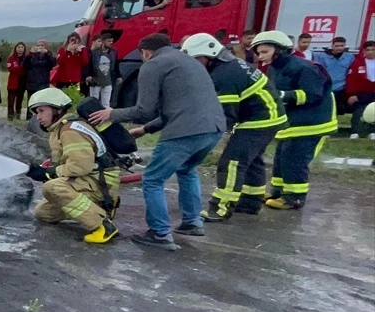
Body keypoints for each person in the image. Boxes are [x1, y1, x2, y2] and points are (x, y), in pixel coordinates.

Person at [89, 33, 225, 250]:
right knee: (187, 170)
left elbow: (144, 110)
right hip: (214, 128)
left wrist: (111, 113)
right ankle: (192, 222)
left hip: (185, 131)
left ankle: (160, 233)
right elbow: (175, 107)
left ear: (145, 52)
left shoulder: (152, 65)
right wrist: (145, 130)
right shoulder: (189, 62)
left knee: (152, 179)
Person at [181, 33, 287, 222]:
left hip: (260, 119)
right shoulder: (227, 67)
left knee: (232, 162)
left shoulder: (224, 75)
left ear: (209, 55)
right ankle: (250, 202)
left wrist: (208, 138)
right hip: (269, 116)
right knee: (251, 160)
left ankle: (221, 208)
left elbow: (224, 114)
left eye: (196, 59)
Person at [252, 30, 338, 210]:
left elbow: (313, 94)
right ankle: (279, 191)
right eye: (259, 53)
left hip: (313, 123)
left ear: (280, 50)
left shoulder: (306, 68)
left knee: (294, 159)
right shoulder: (276, 67)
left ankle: (294, 198)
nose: (261, 57)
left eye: (265, 52)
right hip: (293, 122)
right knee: (281, 157)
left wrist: (284, 95)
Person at [24, 88, 119, 245]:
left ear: (58, 109)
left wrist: (49, 173)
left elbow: (81, 167)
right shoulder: (61, 128)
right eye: (36, 112)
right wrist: (47, 167)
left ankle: (103, 225)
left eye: (41, 111)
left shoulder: (70, 130)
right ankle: (101, 207)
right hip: (90, 179)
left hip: (99, 182)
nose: (38, 117)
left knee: (52, 188)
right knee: (44, 213)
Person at [315, 36, 355, 115]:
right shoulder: (321, 56)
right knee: (325, 110)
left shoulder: (350, 57)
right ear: (332, 45)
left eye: (342, 46)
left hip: (341, 89)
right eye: (337, 46)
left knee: (338, 111)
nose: (339, 48)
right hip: (326, 88)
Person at [344, 40, 375, 138]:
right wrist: (352, 94)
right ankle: (355, 132)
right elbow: (351, 79)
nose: (370, 52)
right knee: (359, 111)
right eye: (368, 50)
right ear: (364, 51)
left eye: (373, 50)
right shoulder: (357, 63)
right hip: (361, 93)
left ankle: (372, 132)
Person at [83, 31, 118, 105]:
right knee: (93, 102)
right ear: (103, 41)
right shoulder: (94, 53)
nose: (111, 43)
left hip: (108, 81)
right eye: (108, 41)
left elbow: (115, 65)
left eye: (112, 41)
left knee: (106, 103)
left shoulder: (113, 52)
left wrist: (118, 76)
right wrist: (88, 75)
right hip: (95, 81)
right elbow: (89, 64)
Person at [23, 41, 56, 116]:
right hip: (32, 82)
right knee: (31, 101)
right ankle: (29, 117)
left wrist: (46, 54)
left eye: (42, 45)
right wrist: (30, 54)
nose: (40, 47)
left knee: (41, 101)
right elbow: (25, 65)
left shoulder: (49, 55)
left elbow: (52, 65)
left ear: (46, 47)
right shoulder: (32, 55)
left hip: (43, 83)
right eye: (38, 45)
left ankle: (41, 116)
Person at [53, 33, 87, 98]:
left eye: (75, 40)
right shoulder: (63, 49)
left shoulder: (82, 49)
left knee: (74, 97)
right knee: (62, 97)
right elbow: (60, 62)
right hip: (63, 78)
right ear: (68, 40)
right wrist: (67, 51)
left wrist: (79, 53)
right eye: (72, 40)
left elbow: (84, 62)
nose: (73, 42)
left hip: (75, 79)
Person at [6, 42, 29, 120]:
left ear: (24, 49)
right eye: (18, 47)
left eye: (22, 47)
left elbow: (26, 70)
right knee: (11, 101)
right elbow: (11, 69)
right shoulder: (11, 58)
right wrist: (21, 67)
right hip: (13, 82)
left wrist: (20, 68)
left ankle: (18, 116)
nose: (20, 49)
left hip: (22, 82)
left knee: (19, 101)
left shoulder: (26, 58)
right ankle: (10, 117)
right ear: (15, 48)